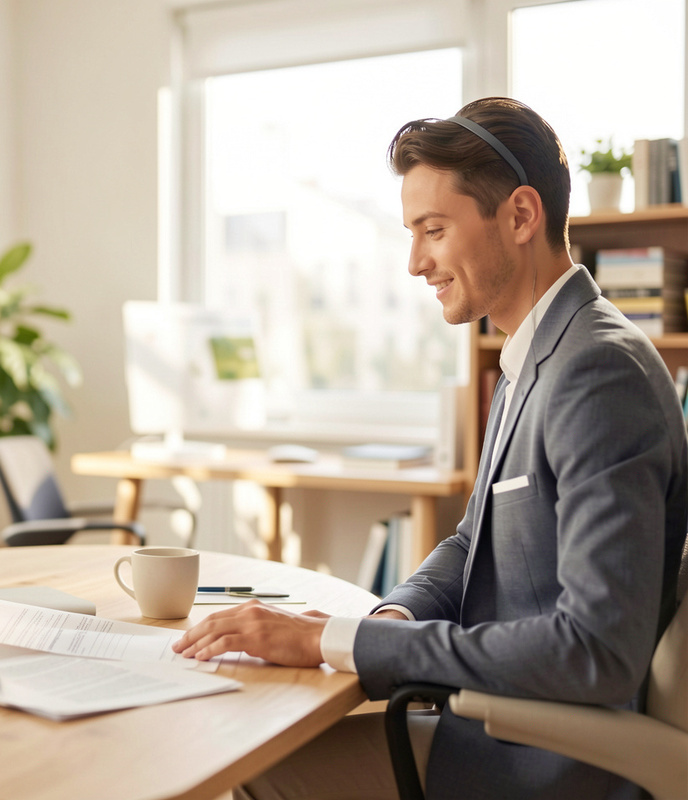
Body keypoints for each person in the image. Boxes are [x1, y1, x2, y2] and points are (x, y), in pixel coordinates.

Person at [174, 97, 688, 800]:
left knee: (251, 768)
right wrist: (385, 619)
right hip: (494, 733)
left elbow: (596, 651)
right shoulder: (533, 358)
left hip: (543, 766)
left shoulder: (597, 373)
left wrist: (339, 644)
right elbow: (473, 539)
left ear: (519, 215)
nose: (416, 262)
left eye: (434, 230)